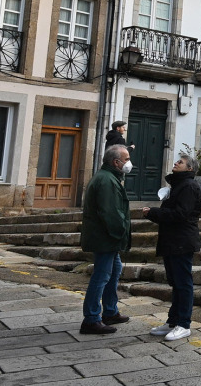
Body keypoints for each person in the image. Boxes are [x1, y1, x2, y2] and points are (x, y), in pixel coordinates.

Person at [141, 153, 201, 342]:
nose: (176, 163)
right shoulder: (179, 185)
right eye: (177, 161)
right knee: (175, 282)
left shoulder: (189, 186)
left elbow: (181, 214)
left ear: (189, 169)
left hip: (182, 241)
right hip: (173, 240)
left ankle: (184, 324)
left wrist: (154, 213)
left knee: (183, 283)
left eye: (181, 162)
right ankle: (173, 321)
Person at [79, 143, 132, 335]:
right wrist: (121, 233)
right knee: (101, 276)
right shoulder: (107, 181)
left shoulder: (108, 177)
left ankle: (110, 311)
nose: (128, 163)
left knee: (114, 270)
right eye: (126, 160)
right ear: (116, 162)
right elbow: (110, 212)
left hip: (105, 237)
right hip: (105, 237)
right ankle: (91, 319)